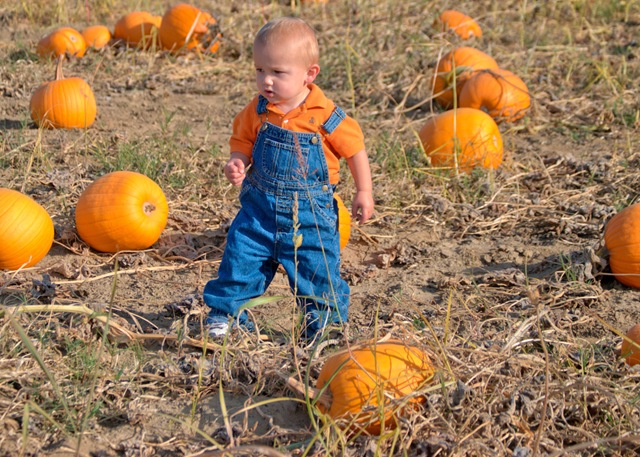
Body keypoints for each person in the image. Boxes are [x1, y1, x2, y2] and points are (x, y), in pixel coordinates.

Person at [203, 16, 374, 341]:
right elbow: (242, 141)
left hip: (311, 218)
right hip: (259, 213)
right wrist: (237, 161)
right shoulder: (259, 110)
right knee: (239, 261)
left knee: (317, 273)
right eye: (259, 70)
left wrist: (363, 190)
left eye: (278, 72)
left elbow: (355, 150)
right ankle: (227, 316)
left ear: (310, 74)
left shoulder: (325, 115)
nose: (266, 80)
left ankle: (324, 327)